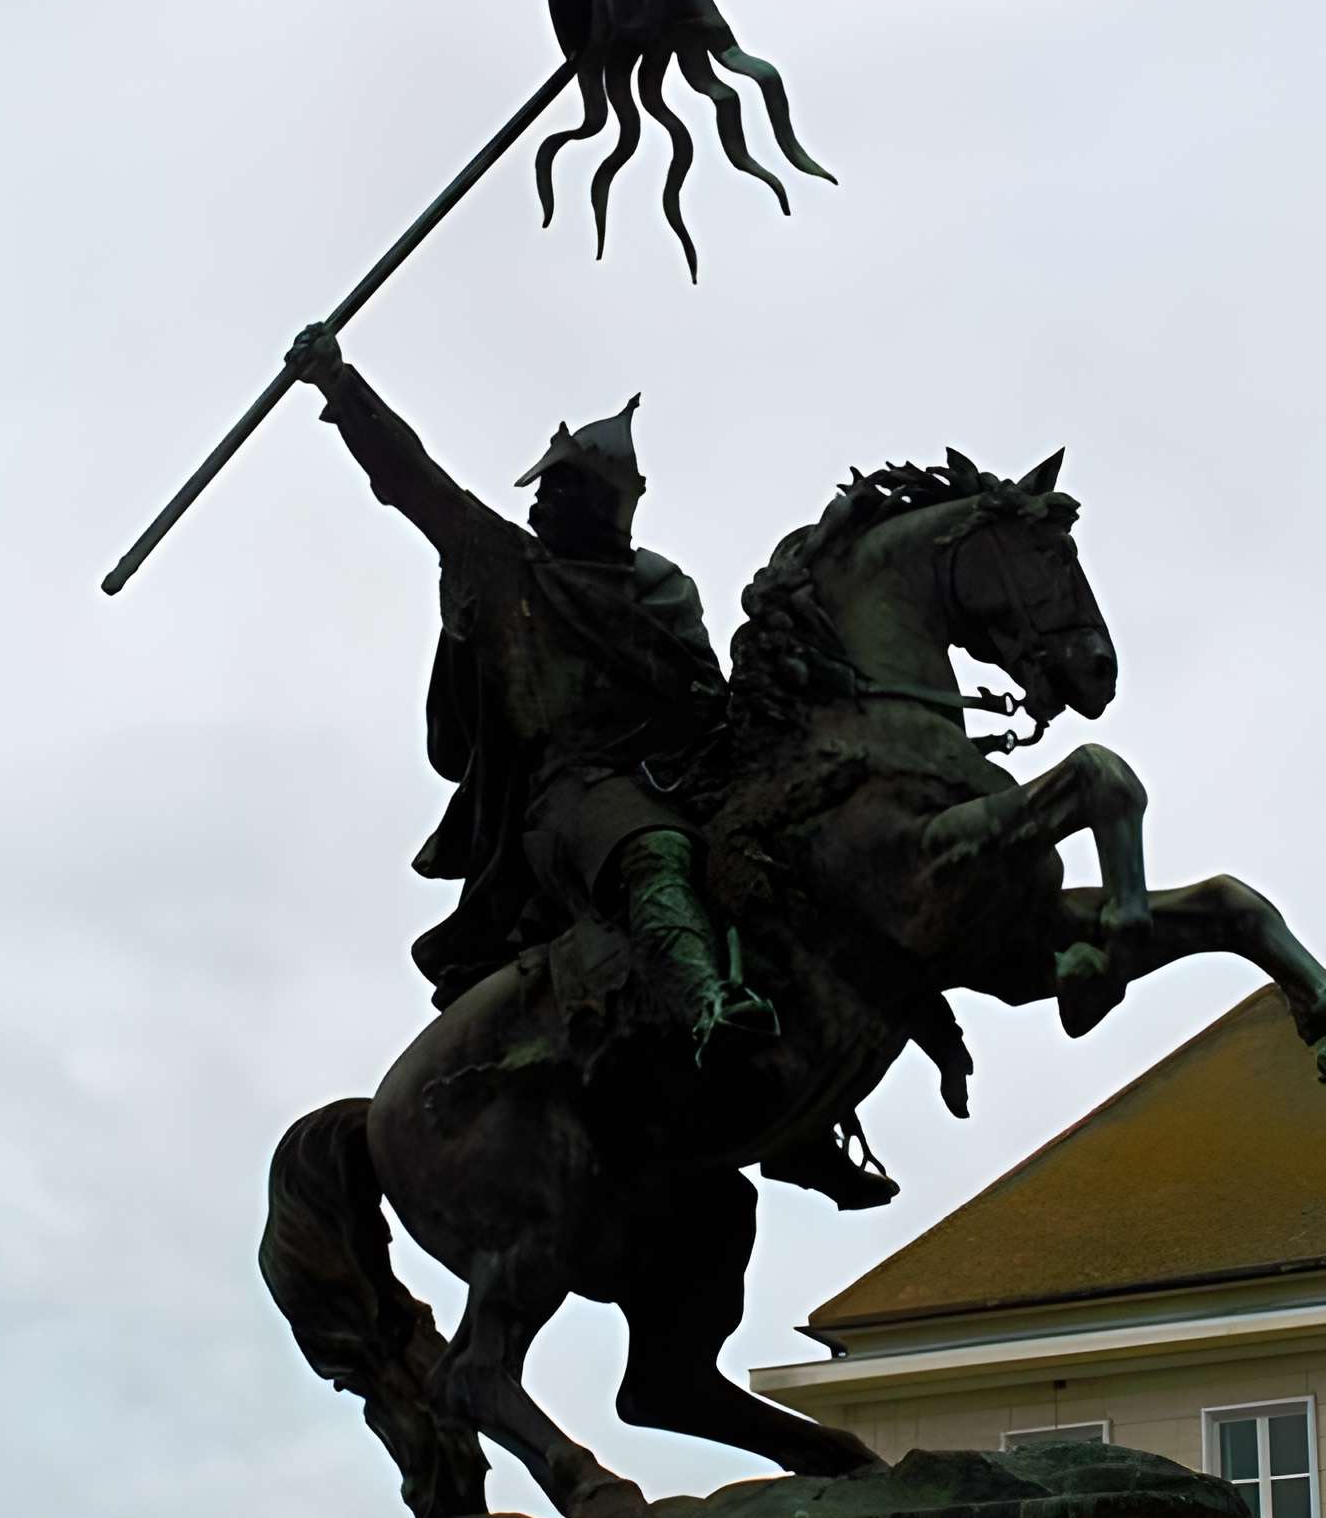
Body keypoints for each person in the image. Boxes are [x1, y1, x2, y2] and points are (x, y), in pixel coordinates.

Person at [283, 323, 899, 1208]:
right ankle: (711, 1015)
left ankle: (802, 1118)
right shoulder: (507, 568)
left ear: (606, 502)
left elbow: (702, 696)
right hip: (569, 801)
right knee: (654, 854)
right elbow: (412, 481)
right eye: (539, 492)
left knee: (798, 865)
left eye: (557, 490)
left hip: (677, 778)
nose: (536, 506)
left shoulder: (663, 588)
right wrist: (340, 390)